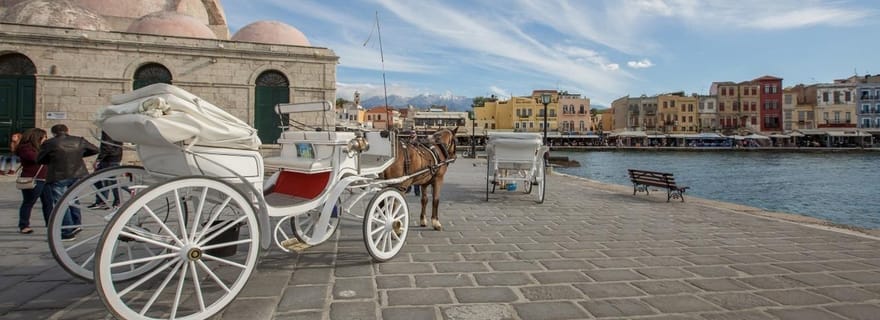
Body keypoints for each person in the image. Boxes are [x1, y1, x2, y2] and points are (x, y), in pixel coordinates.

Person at [37, 124, 99, 241]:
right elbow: (95, 149)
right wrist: (79, 154)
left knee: (61, 203)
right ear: (67, 130)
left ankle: (67, 232)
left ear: (53, 133)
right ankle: (76, 224)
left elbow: (40, 159)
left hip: (58, 174)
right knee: (74, 199)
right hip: (78, 173)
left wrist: (52, 159)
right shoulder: (79, 140)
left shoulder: (50, 143)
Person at [15, 129, 51, 234]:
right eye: (44, 137)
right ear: (37, 137)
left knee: (48, 202)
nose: (46, 139)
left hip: (45, 179)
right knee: (29, 202)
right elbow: (35, 158)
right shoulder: (25, 148)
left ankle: (50, 223)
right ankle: (24, 225)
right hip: (33, 179)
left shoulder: (41, 148)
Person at [88, 131, 123, 209]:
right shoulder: (115, 129)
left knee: (112, 181)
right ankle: (102, 200)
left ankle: (118, 200)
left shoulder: (107, 129)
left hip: (109, 158)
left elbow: (107, 146)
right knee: (100, 180)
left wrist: (98, 159)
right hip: (112, 157)